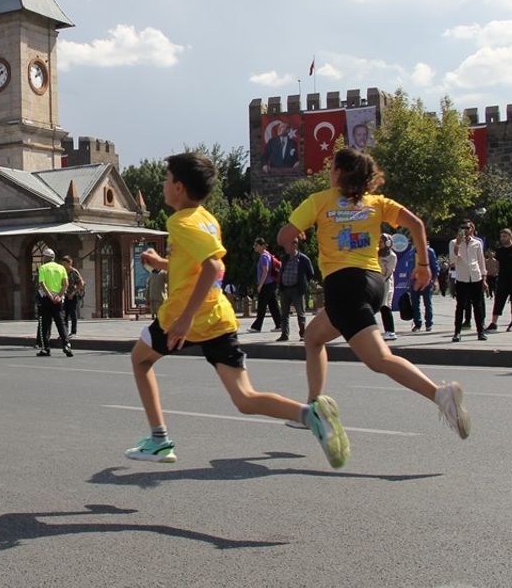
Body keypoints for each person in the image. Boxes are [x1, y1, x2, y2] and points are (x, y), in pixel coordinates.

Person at [127, 152, 350, 468]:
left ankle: (159, 440)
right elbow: (200, 266)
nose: (163, 184)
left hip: (183, 318)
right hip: (218, 317)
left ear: (178, 187)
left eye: (165, 179)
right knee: (245, 398)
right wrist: (162, 263)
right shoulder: (207, 218)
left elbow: (213, 266)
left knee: (139, 360)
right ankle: (310, 415)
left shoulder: (179, 221)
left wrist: (185, 320)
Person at [280, 148, 470, 440]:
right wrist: (423, 265)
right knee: (314, 337)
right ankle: (314, 407)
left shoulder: (319, 201)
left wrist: (296, 233)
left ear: (339, 173)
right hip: (372, 282)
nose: (329, 173)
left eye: (332, 168)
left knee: (378, 359)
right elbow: (416, 225)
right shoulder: (377, 203)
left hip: (343, 286)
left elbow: (284, 237)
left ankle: (439, 395)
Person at [449, 220, 487, 342]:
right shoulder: (453, 243)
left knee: (478, 305)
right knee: (460, 306)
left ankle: (480, 331)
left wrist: (484, 278)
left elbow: (481, 261)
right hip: (462, 277)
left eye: (468, 228)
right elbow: (453, 260)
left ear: (472, 229)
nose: (466, 230)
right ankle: (457, 332)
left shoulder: (477, 243)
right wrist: (458, 245)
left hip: (475, 277)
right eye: (463, 227)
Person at [486, 229, 512, 332]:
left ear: (510, 236)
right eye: (501, 236)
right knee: (499, 300)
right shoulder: (499, 251)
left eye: (505, 236)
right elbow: (498, 265)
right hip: (502, 279)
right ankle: (494, 323)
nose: (503, 238)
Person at [35, 248, 72, 357]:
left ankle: (46, 348)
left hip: (46, 299)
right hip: (58, 299)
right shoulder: (61, 268)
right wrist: (59, 296)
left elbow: (42, 283)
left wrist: (50, 295)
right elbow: (66, 284)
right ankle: (66, 345)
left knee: (44, 324)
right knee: (61, 323)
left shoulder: (42, 268)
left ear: (45, 258)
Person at [276, 238, 315, 342]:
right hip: (285, 289)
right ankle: (284, 334)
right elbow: (282, 271)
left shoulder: (303, 259)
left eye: (287, 245)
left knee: (300, 313)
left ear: (295, 245)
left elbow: (310, 273)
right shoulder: (285, 258)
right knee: (284, 314)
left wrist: (302, 283)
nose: (285, 248)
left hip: (297, 289)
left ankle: (303, 334)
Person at [247, 238, 282, 333]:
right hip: (271, 284)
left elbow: (265, 271)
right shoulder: (268, 255)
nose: (255, 247)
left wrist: (260, 285)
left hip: (267, 284)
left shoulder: (264, 256)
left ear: (262, 246)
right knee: (273, 305)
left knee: (262, 306)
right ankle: (280, 325)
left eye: (256, 245)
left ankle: (256, 327)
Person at [408, 243, 438, 332]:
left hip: (426, 282)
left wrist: (435, 280)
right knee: (415, 304)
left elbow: (435, 267)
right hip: (414, 282)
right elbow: (409, 267)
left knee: (427, 303)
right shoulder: (412, 252)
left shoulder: (429, 251)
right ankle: (417, 324)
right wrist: (409, 280)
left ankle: (429, 324)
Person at [377, 234, 400, 340]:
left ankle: (390, 331)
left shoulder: (392, 256)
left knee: (385, 306)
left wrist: (381, 265)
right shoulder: (377, 254)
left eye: (381, 242)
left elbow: (388, 271)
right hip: (377, 282)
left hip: (386, 283)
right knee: (380, 307)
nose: (379, 244)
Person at [62, 256, 84, 337]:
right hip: (64, 295)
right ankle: (65, 332)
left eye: (65, 263)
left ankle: (73, 332)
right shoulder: (62, 271)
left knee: (73, 314)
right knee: (64, 314)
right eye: (62, 263)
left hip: (73, 295)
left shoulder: (74, 272)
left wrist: (73, 293)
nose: (63, 265)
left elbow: (81, 283)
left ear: (69, 263)